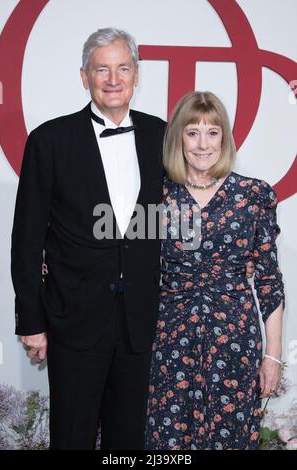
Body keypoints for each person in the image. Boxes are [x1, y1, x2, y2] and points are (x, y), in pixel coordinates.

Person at [11, 28, 166, 450]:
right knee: (72, 437)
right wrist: (31, 320)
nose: (113, 79)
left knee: (128, 441)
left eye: (123, 68)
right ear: (84, 77)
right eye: (102, 69)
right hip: (73, 317)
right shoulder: (49, 140)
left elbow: (179, 217)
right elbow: (26, 238)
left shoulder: (162, 136)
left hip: (140, 320)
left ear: (136, 75)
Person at [145, 91, 285, 450]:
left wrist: (272, 355)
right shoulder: (156, 196)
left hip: (235, 340)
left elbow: (269, 282)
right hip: (168, 341)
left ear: (225, 137)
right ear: (179, 138)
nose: (203, 144)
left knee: (231, 439)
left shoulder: (253, 196)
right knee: (167, 441)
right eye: (192, 132)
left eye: (212, 132)